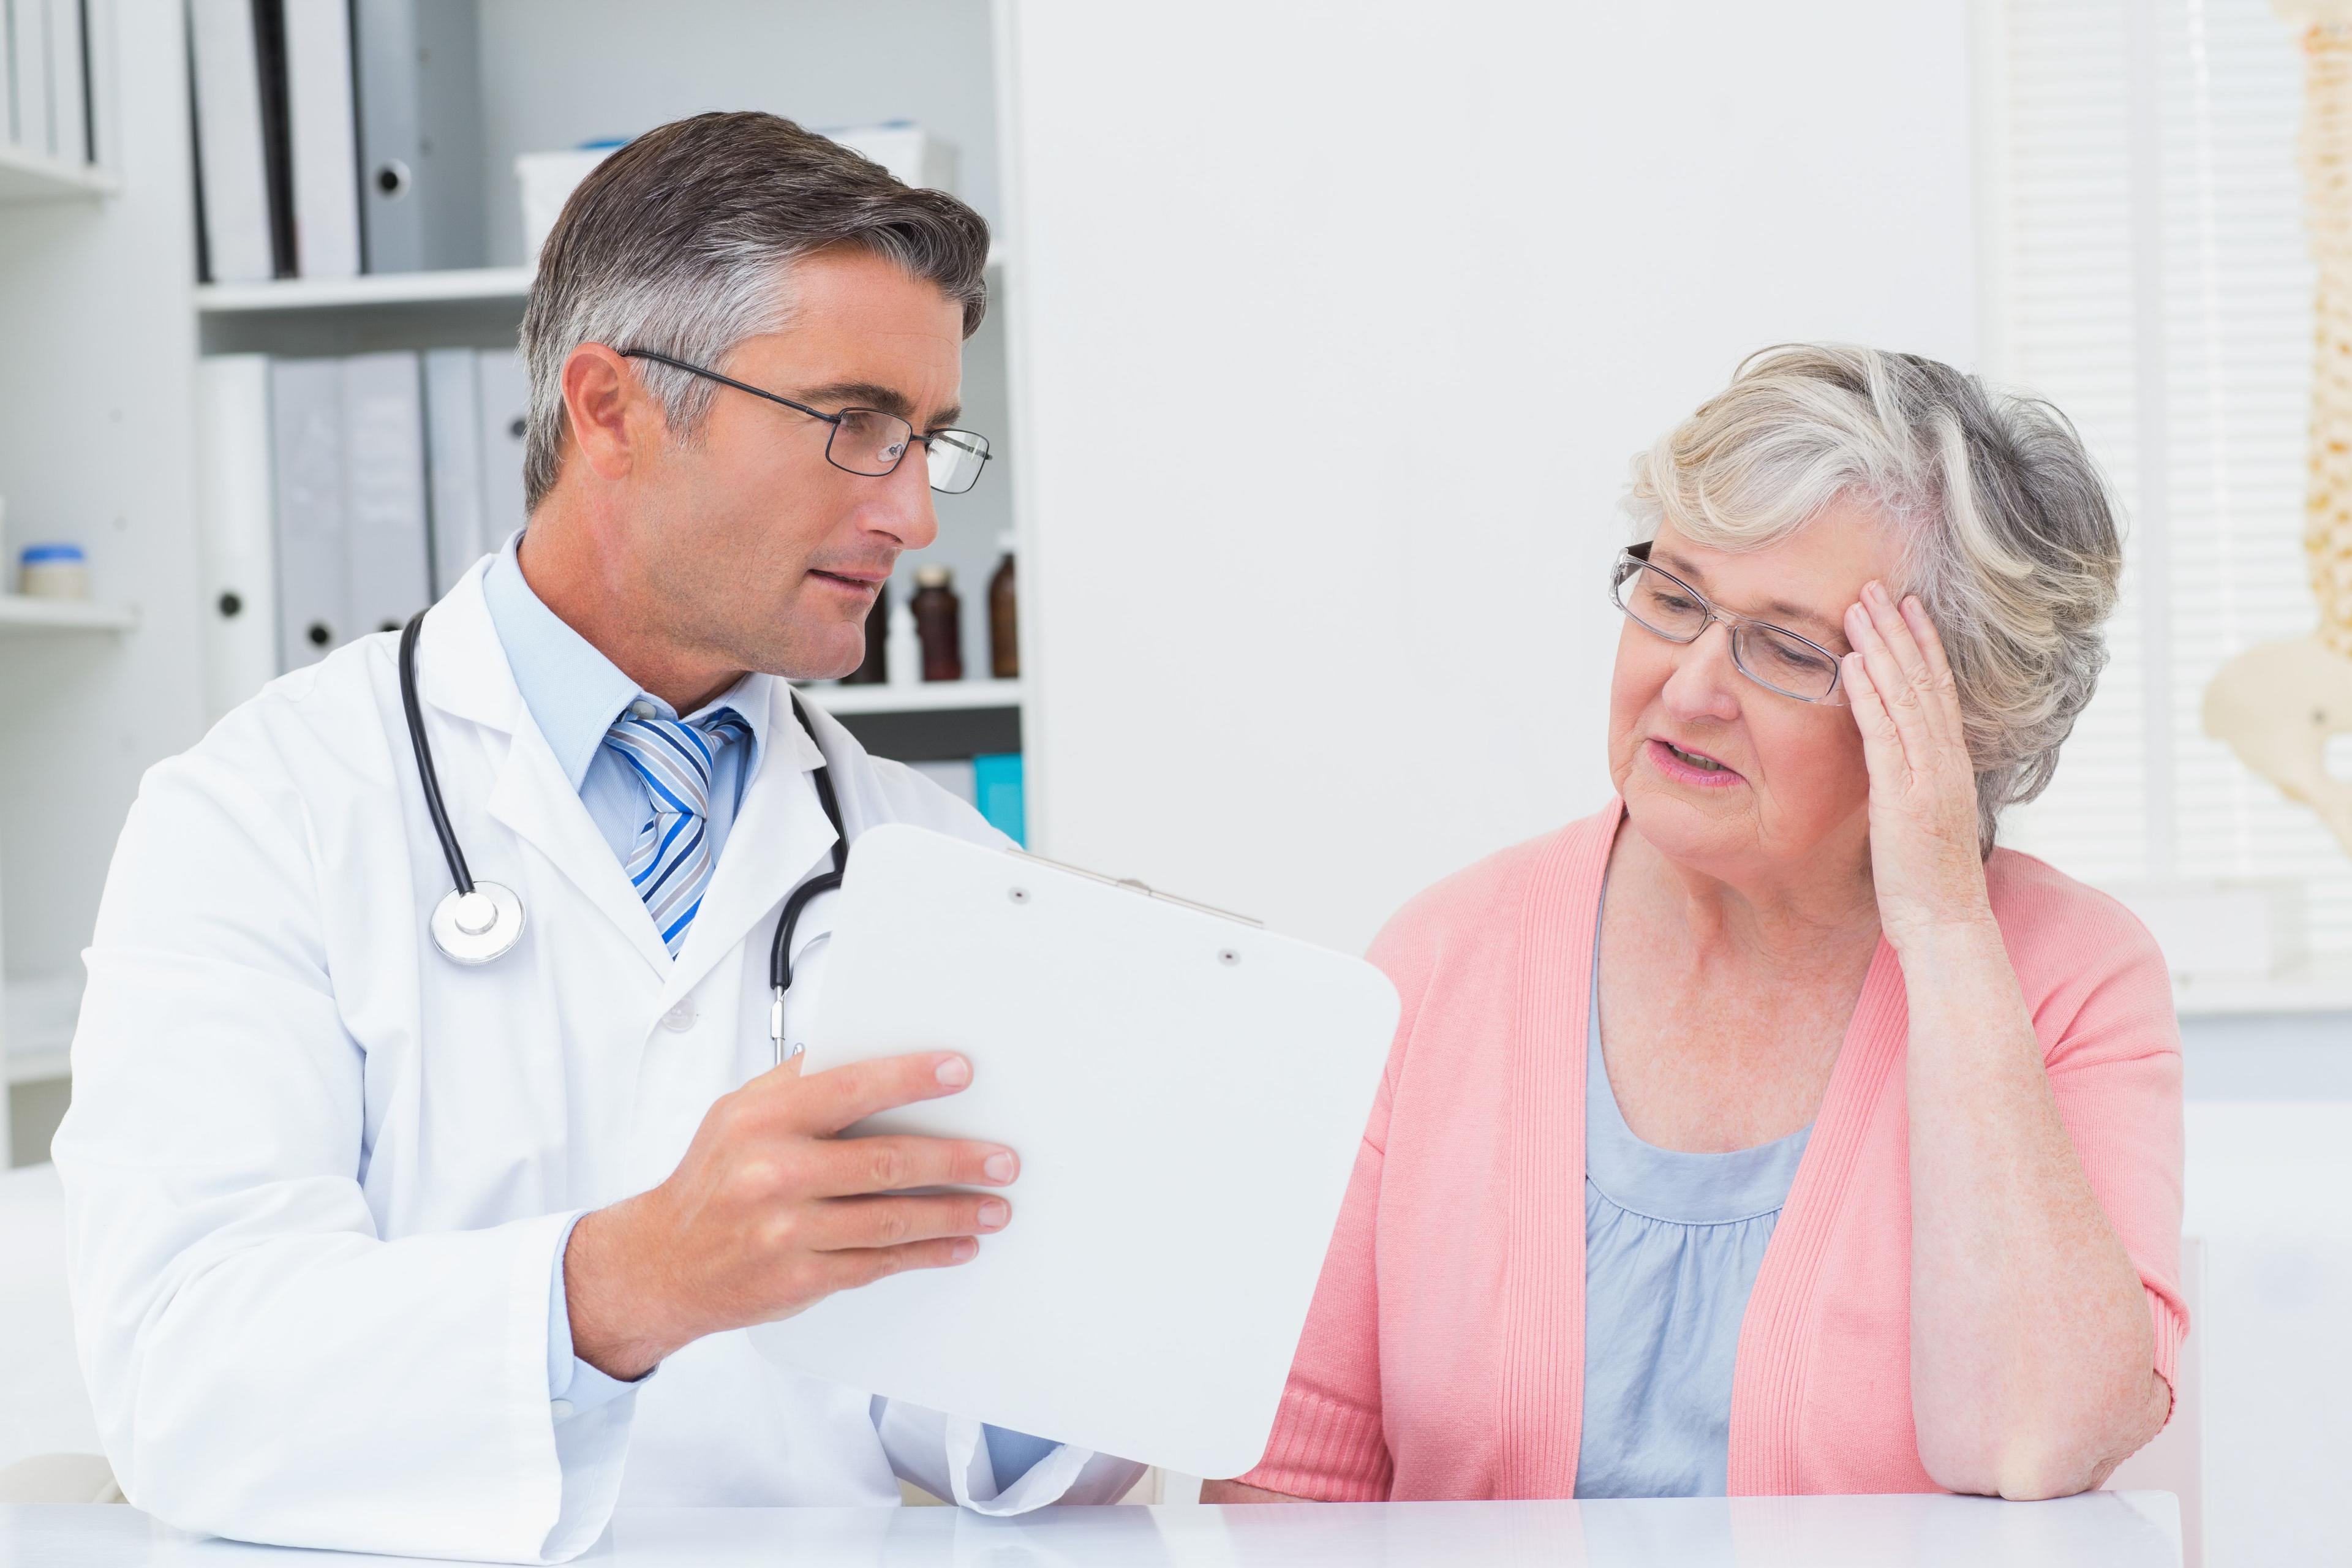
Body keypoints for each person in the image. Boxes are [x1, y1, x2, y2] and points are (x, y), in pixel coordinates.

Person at [54, 112, 1140, 1562]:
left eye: (927, 443)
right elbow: (186, 1378)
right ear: (613, 407)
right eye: (853, 426)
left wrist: (1127, 1255)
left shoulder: (924, 854)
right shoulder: (261, 812)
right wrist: (625, 1281)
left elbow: (970, 1432)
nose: (908, 517)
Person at [1205, 345, 2186, 1505]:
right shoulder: (1441, 959)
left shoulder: (2071, 977)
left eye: (1786, 648)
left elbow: (2037, 1441)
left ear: (1957, 717)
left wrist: (1942, 927)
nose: (1688, 687)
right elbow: (1290, 1492)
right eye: (1673, 599)